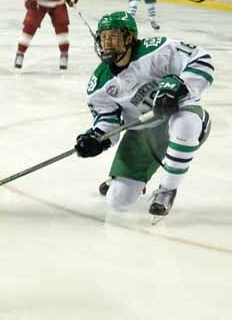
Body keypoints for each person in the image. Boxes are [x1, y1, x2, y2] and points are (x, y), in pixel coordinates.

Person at [75, 12, 213, 218]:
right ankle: (128, 182)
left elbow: (202, 60)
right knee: (117, 203)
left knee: (186, 124)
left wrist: (179, 85)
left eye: (113, 37)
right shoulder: (100, 84)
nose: (107, 44)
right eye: (103, 38)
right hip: (142, 135)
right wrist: (96, 138)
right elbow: (108, 121)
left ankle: (167, 189)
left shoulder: (157, 50)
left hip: (179, 117)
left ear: (129, 38)